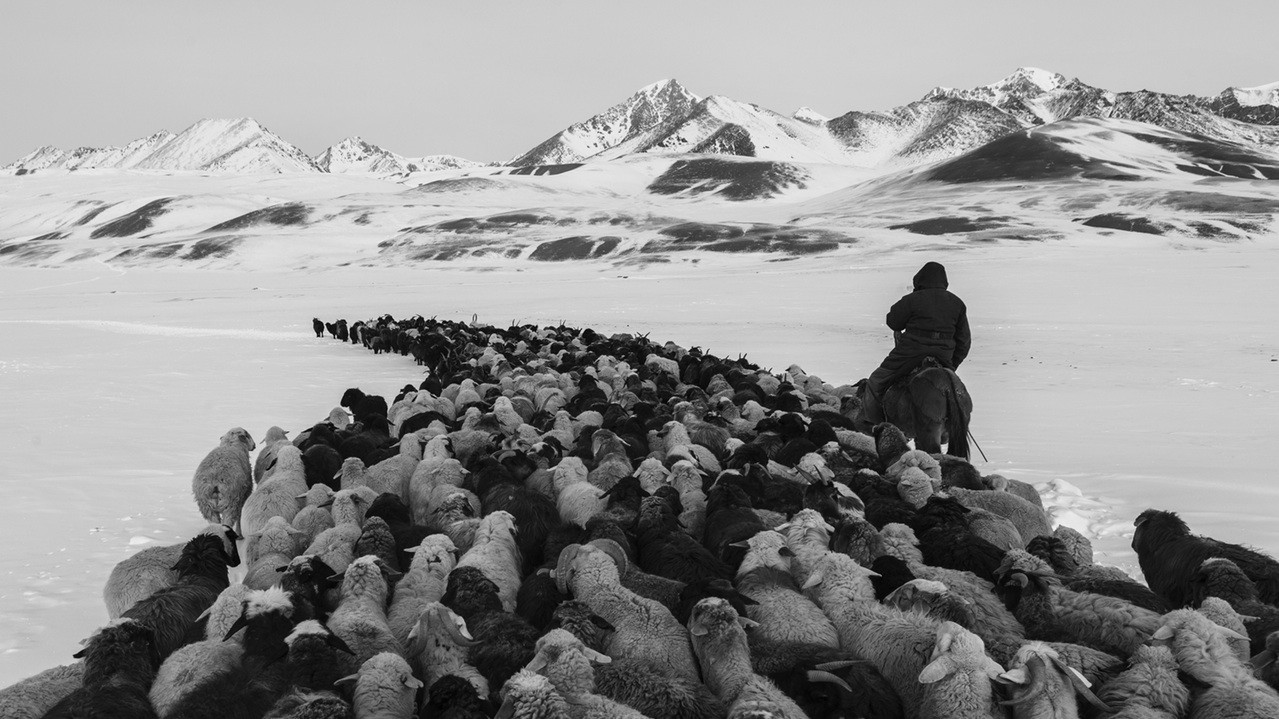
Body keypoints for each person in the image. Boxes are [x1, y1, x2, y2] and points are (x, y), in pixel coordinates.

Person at [862, 261, 970, 423]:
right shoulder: (957, 303)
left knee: (876, 381)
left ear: (920, 280)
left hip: (910, 353)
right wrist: (951, 365)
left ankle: (875, 426)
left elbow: (893, 322)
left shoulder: (912, 299)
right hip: (943, 356)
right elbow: (964, 342)